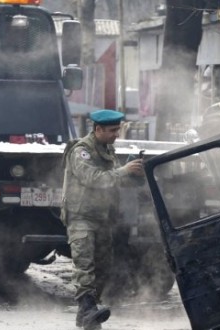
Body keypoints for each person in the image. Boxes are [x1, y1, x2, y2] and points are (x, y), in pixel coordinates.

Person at [61, 109, 145, 330]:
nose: (116, 134)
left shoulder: (107, 151)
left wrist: (133, 175)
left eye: (117, 129)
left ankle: (87, 315)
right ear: (97, 129)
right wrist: (123, 171)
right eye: (111, 130)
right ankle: (88, 309)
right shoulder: (81, 151)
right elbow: (94, 179)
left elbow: (112, 182)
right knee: (84, 263)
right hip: (81, 217)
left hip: (102, 217)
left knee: (103, 267)